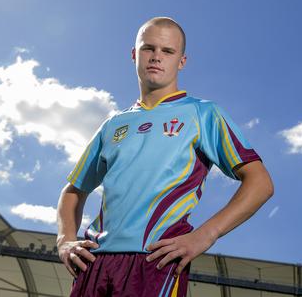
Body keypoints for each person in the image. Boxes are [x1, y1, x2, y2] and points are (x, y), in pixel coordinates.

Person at [56, 17, 274, 297]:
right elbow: (73, 191)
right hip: (95, 262)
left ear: (181, 61)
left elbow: (260, 182)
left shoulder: (202, 113)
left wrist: (205, 235)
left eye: (167, 51)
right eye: (149, 48)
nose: (156, 57)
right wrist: (65, 241)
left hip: (155, 261)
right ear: (135, 55)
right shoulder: (112, 126)